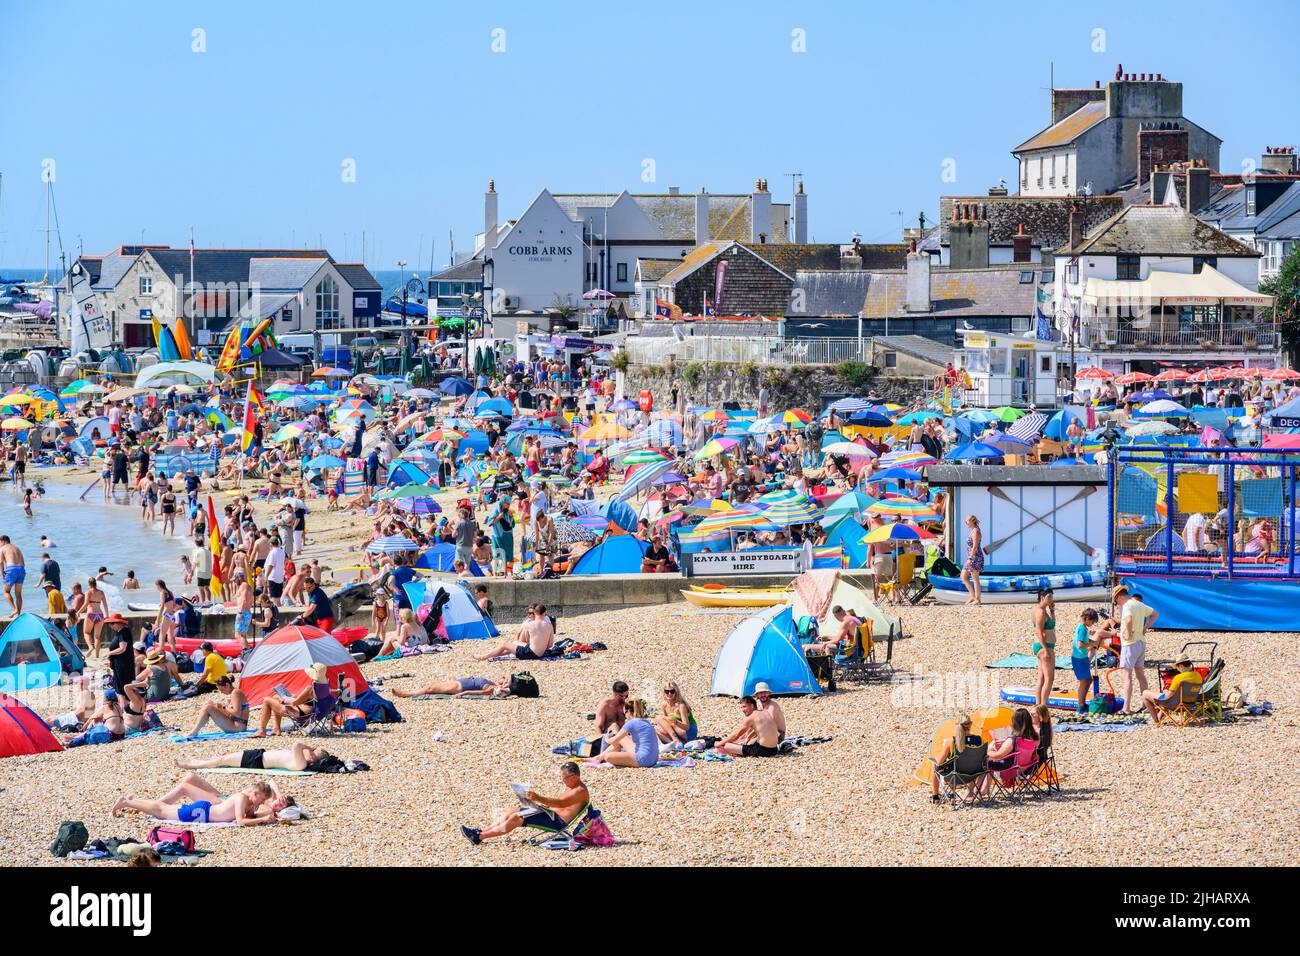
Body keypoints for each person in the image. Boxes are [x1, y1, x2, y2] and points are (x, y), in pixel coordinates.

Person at [460, 761, 589, 845]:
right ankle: (480, 831)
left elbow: (560, 803)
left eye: (564, 778)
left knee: (517, 818)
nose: (563, 781)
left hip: (557, 822)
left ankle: (479, 837)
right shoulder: (573, 787)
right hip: (551, 814)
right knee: (512, 810)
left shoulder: (579, 791)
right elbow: (559, 804)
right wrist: (534, 802)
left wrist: (537, 798)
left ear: (574, 777)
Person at [110, 773, 287, 826]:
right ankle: (126, 801)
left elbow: (243, 818)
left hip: (205, 812)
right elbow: (240, 821)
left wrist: (263, 818)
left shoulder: (250, 803)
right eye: (261, 798)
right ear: (255, 793)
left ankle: (132, 800)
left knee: (162, 809)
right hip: (202, 812)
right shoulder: (242, 798)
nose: (260, 802)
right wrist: (263, 819)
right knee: (161, 812)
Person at [252, 662, 332, 736]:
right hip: (311, 712)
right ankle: (277, 728)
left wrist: (283, 700)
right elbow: (307, 700)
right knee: (275, 697)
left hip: (301, 714)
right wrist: (291, 697)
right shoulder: (325, 687)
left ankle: (262, 730)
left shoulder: (310, 689)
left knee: (267, 700)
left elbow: (294, 703)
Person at [1113, 586, 1156, 714]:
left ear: (1120, 597)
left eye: (1116, 601)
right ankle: (1146, 705)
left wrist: (1128, 633)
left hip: (1130, 644)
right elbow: (1155, 614)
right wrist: (1145, 627)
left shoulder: (1127, 605)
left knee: (1126, 676)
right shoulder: (1139, 604)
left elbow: (1128, 619)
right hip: (1141, 642)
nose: (1117, 604)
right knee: (1141, 676)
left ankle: (1126, 708)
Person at [929, 712, 983, 804]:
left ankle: (936, 796)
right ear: (970, 724)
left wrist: (935, 758)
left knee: (937, 765)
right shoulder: (978, 740)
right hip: (973, 774)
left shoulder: (950, 741)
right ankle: (969, 794)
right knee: (966, 764)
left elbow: (940, 762)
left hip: (955, 775)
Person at [175, 741, 333, 772]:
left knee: (222, 761)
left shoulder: (301, 764)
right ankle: (197, 761)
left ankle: (191, 765)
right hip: (259, 755)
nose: (310, 752)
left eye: (313, 753)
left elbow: (297, 745)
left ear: (313, 758)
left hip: (256, 761)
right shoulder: (300, 760)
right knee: (224, 756)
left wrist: (309, 747)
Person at [474, 603, 554, 661]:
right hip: (540, 653)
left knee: (504, 645)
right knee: (511, 647)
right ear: (544, 613)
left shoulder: (530, 625)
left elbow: (521, 636)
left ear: (535, 613)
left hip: (530, 653)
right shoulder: (549, 625)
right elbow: (550, 645)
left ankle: (483, 657)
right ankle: (488, 655)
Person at [1141, 652, 1204, 721]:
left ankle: (1156, 721)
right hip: (1191, 703)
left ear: (1180, 665)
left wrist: (1165, 692)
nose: (1177, 669)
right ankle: (1159, 719)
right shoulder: (1198, 676)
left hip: (1175, 705)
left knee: (1145, 693)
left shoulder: (1179, 677)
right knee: (1170, 695)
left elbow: (1168, 697)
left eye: (1177, 667)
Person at [586, 712, 661, 768]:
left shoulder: (631, 722)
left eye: (625, 712)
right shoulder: (645, 721)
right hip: (654, 759)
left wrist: (606, 737)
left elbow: (612, 741)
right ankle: (598, 758)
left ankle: (600, 758)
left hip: (643, 761)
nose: (625, 716)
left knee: (608, 757)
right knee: (623, 738)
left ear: (629, 712)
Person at [715, 695, 781, 757]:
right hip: (774, 749)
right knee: (746, 741)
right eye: (741, 707)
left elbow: (736, 735)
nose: (742, 710)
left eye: (744, 707)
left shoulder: (751, 717)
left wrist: (721, 743)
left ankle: (728, 752)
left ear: (752, 706)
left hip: (763, 751)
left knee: (726, 746)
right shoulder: (765, 712)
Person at [1071, 608, 1103, 713]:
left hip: (1082, 658)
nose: (1093, 624)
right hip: (1079, 659)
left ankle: (1082, 703)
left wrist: (1093, 642)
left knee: (1088, 680)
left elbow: (1084, 640)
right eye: (1093, 621)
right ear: (1088, 619)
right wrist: (1091, 644)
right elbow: (1080, 644)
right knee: (1084, 682)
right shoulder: (1083, 629)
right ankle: (1080, 706)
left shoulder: (1082, 628)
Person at [1031, 588, 1056, 708]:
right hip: (1044, 646)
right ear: (1042, 597)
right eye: (1049, 597)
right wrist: (1046, 650)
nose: (1051, 599)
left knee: (1041, 678)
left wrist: (1052, 611)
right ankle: (1043, 707)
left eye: (1052, 597)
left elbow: (1052, 624)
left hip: (1042, 646)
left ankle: (1038, 706)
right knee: (1049, 679)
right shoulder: (1040, 612)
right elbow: (1039, 632)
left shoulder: (1040, 609)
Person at [104, 614, 137, 695]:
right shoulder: (120, 632)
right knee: (119, 686)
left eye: (112, 623)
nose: (110, 626)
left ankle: (125, 706)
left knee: (122, 688)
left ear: (118, 623)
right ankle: (124, 705)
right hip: (120, 663)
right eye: (109, 624)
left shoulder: (124, 632)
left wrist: (110, 653)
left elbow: (122, 649)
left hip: (124, 664)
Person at [392, 676, 501, 698]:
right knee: (432, 685)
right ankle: (409, 692)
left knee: (430, 688)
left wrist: (464, 693)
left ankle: (406, 694)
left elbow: (481, 693)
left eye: (505, 681)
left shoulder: (491, 688)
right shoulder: (491, 682)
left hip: (459, 686)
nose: (503, 678)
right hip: (458, 682)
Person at [959, 515, 983, 605]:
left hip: (975, 557)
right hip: (972, 557)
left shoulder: (976, 531)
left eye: (967, 521)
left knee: (975, 578)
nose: (966, 523)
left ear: (972, 521)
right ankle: (972, 596)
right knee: (963, 576)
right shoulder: (973, 530)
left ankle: (978, 599)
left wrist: (970, 558)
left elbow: (975, 546)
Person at [0, 535, 26, 617]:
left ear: (3, 541)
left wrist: (2, 574)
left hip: (11, 569)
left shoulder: (3, 548)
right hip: (21, 569)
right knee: (18, 594)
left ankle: (14, 609)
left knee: (6, 591)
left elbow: (0, 562)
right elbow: (23, 562)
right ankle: (18, 614)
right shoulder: (17, 548)